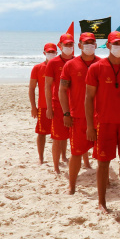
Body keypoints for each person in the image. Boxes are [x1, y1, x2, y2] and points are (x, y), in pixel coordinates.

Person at [84, 31, 120, 212]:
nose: (119, 47)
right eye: (116, 43)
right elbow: (88, 98)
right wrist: (90, 125)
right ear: (108, 45)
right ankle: (102, 202)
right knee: (103, 162)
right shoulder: (96, 68)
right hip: (104, 122)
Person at [59, 32, 100, 194]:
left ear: (96, 45)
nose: (89, 45)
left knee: (103, 155)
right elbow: (62, 90)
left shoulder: (102, 64)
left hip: (99, 117)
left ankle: (105, 181)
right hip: (78, 116)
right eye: (86, 42)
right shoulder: (70, 65)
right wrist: (66, 113)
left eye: (92, 42)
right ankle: (72, 184)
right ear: (80, 45)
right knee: (76, 153)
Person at [44, 34, 75, 174]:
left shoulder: (77, 61)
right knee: (58, 138)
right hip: (58, 106)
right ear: (60, 46)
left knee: (77, 137)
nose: (68, 47)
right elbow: (47, 86)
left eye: (70, 44)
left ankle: (84, 164)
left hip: (76, 105)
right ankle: (56, 167)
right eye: (66, 45)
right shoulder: (53, 63)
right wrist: (49, 107)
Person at [29, 43, 57, 164]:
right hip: (43, 106)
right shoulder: (37, 68)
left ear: (57, 53)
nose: (51, 54)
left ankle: (61, 157)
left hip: (59, 106)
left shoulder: (61, 66)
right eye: (49, 52)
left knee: (60, 135)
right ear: (44, 53)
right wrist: (33, 107)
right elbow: (31, 88)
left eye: (53, 52)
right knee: (42, 133)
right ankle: (41, 158)